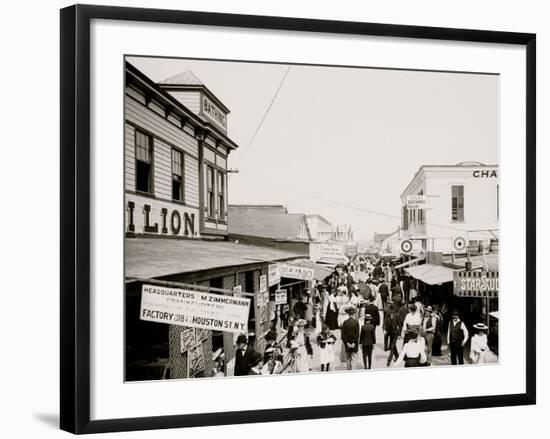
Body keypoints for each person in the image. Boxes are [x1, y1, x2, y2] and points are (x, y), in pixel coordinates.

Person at [340, 306, 360, 370]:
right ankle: (353, 370)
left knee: (348, 359)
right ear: (353, 314)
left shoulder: (345, 322)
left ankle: (348, 370)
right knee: (354, 358)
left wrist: (347, 343)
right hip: (354, 344)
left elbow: (343, 335)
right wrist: (354, 342)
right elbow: (357, 334)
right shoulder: (356, 322)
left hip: (347, 344)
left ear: (348, 314)